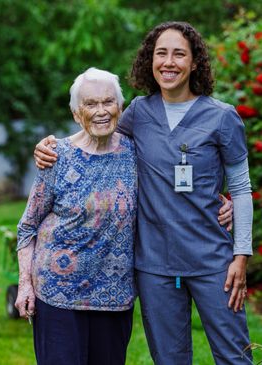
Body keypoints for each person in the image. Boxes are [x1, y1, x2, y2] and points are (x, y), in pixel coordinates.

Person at [34, 21, 253, 365]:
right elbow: (96, 137)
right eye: (160, 53)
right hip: (154, 267)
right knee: (169, 359)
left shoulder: (222, 118)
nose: (169, 62)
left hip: (213, 261)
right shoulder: (137, 112)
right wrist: (50, 146)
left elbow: (240, 188)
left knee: (234, 357)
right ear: (149, 61)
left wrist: (241, 255)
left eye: (179, 53)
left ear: (194, 62)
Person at [15, 68, 138, 365]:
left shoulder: (136, 152)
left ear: (120, 108)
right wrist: (24, 284)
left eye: (108, 102)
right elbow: (27, 226)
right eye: (90, 104)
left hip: (114, 295)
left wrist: (220, 202)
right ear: (75, 113)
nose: (101, 111)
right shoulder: (57, 156)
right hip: (58, 295)